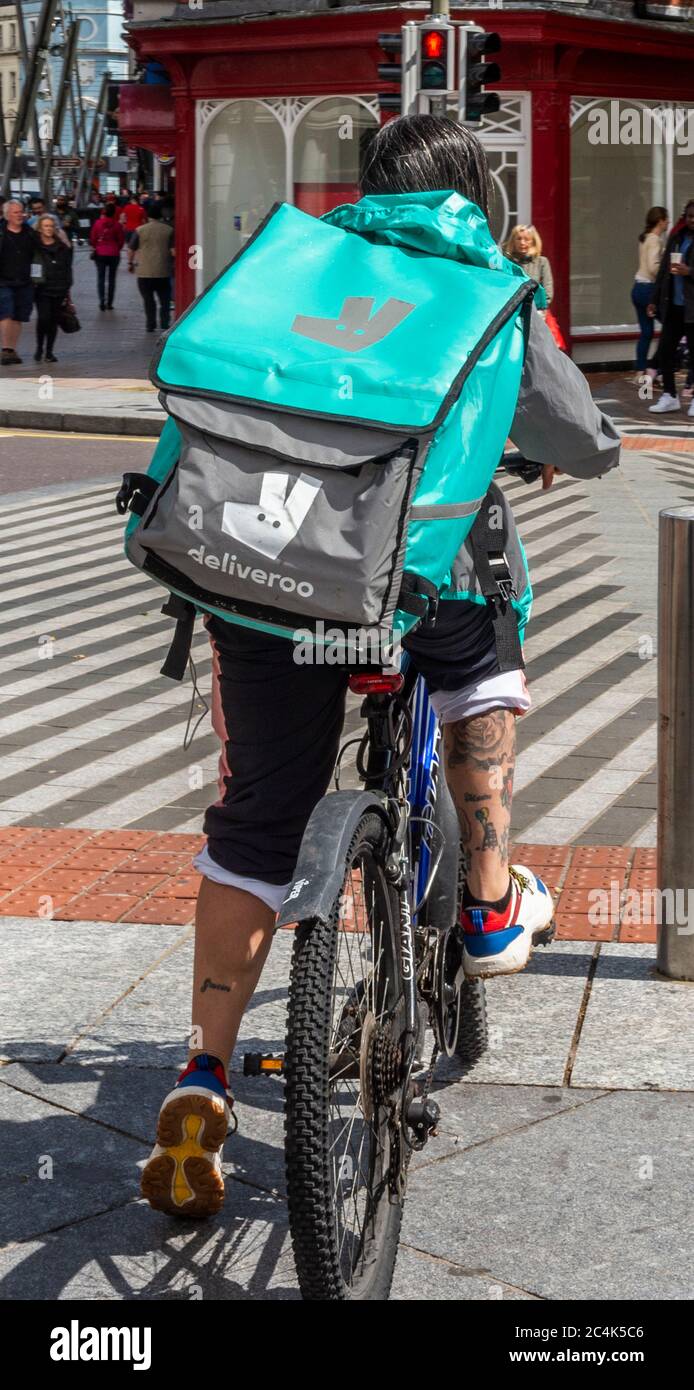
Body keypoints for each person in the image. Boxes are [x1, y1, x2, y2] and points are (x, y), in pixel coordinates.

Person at [139, 114, 621, 1218]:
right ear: (473, 197)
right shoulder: (486, 283)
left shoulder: (295, 262)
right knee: (478, 665)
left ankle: (205, 1070)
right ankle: (492, 905)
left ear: (369, 187)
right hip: (414, 592)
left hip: (261, 582)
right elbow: (584, 441)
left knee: (257, 824)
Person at [648, 198, 694, 416]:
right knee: (665, 351)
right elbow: (664, 272)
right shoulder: (676, 237)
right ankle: (670, 396)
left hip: (692, 308)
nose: (692, 220)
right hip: (674, 306)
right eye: (689, 216)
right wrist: (654, 300)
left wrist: (689, 272)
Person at [0, 198, 39, 365]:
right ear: (7, 215)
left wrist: (36, 279)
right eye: (16, 212)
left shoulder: (30, 233)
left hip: (25, 281)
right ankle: (6, 349)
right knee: (6, 312)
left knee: (19, 315)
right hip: (3, 280)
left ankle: (12, 350)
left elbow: (38, 257)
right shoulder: (1, 233)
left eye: (21, 212)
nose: (20, 215)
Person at [32, 214, 73, 363]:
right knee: (43, 318)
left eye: (51, 226)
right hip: (41, 288)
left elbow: (68, 268)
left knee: (53, 320)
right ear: (40, 228)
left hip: (59, 288)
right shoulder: (35, 246)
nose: (48, 229)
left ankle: (49, 351)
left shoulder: (62, 247)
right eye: (45, 226)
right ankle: (39, 348)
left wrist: (68, 288)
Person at [632, 206, 668, 374]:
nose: (668, 222)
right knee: (670, 328)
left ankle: (640, 371)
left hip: (638, 288)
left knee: (646, 332)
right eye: (666, 219)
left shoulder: (644, 238)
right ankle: (657, 369)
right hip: (649, 290)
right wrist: (667, 268)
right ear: (660, 221)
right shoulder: (655, 239)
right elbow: (654, 268)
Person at [128, 202, 174, 332]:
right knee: (164, 299)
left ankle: (150, 324)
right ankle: (164, 323)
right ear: (161, 216)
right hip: (163, 270)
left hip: (144, 272)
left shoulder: (140, 230)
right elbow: (173, 251)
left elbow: (131, 249)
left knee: (148, 300)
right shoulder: (169, 230)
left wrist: (130, 263)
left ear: (148, 216)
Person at [89, 200, 125, 311]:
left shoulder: (97, 223)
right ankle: (110, 302)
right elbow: (121, 241)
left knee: (101, 278)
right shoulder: (117, 225)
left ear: (104, 212)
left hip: (100, 253)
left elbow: (93, 239)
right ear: (114, 213)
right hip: (113, 253)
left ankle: (101, 300)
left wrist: (97, 246)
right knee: (112, 279)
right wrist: (116, 248)